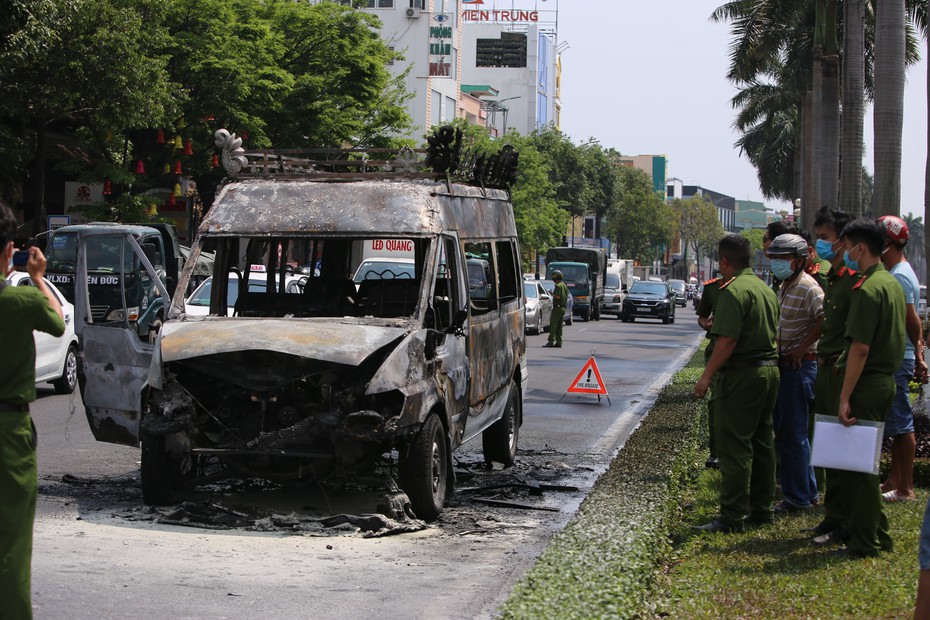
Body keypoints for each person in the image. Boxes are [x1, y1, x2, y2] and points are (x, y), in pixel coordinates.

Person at [0, 202, 65, 619]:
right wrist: (38, 278)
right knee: (11, 540)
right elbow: (59, 323)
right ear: (10, 250)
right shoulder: (20, 301)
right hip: (8, 434)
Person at [693, 234, 780, 533]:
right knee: (763, 442)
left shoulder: (732, 291)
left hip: (741, 375)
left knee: (734, 447)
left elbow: (727, 340)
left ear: (725, 261)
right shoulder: (765, 289)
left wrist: (706, 377)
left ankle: (731, 517)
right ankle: (762, 510)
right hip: (769, 372)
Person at [835, 216, 906, 557]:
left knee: (860, 468)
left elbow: (860, 349)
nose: (845, 254)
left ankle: (866, 542)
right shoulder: (890, 283)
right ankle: (879, 532)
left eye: (847, 248)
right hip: (884, 382)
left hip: (867, 383)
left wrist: (845, 396)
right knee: (864, 464)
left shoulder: (867, 288)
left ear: (860, 248)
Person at [766, 233, 824, 513]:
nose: (778, 263)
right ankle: (805, 493)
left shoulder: (808, 287)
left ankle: (799, 498)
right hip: (785, 366)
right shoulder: (785, 286)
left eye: (784, 258)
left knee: (794, 434)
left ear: (800, 260)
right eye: (775, 258)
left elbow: (826, 318)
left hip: (799, 367)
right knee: (789, 432)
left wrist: (801, 348)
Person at [809, 206, 856, 545]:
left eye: (824, 239)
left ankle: (846, 518)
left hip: (841, 372)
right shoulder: (833, 277)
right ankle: (833, 514)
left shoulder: (855, 281)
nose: (820, 245)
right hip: (824, 369)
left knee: (843, 453)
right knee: (826, 448)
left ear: (843, 240)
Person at [877, 215, 928, 502]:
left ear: (887, 243)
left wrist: (918, 357)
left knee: (902, 423)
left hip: (899, 357)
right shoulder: (899, 272)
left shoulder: (898, 276)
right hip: (901, 355)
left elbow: (912, 321)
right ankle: (894, 480)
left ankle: (906, 488)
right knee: (896, 424)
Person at [695, 274, 727, 469]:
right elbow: (702, 316)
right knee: (716, 402)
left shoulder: (749, 286)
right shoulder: (712, 288)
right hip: (716, 350)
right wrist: (705, 324)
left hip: (741, 353)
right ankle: (716, 452)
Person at [544, 270, 569, 348]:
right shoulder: (564, 285)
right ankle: (559, 342)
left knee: (553, 325)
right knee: (559, 326)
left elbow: (558, 297)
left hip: (557, 308)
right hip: (563, 308)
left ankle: (551, 341)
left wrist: (552, 294)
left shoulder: (558, 286)